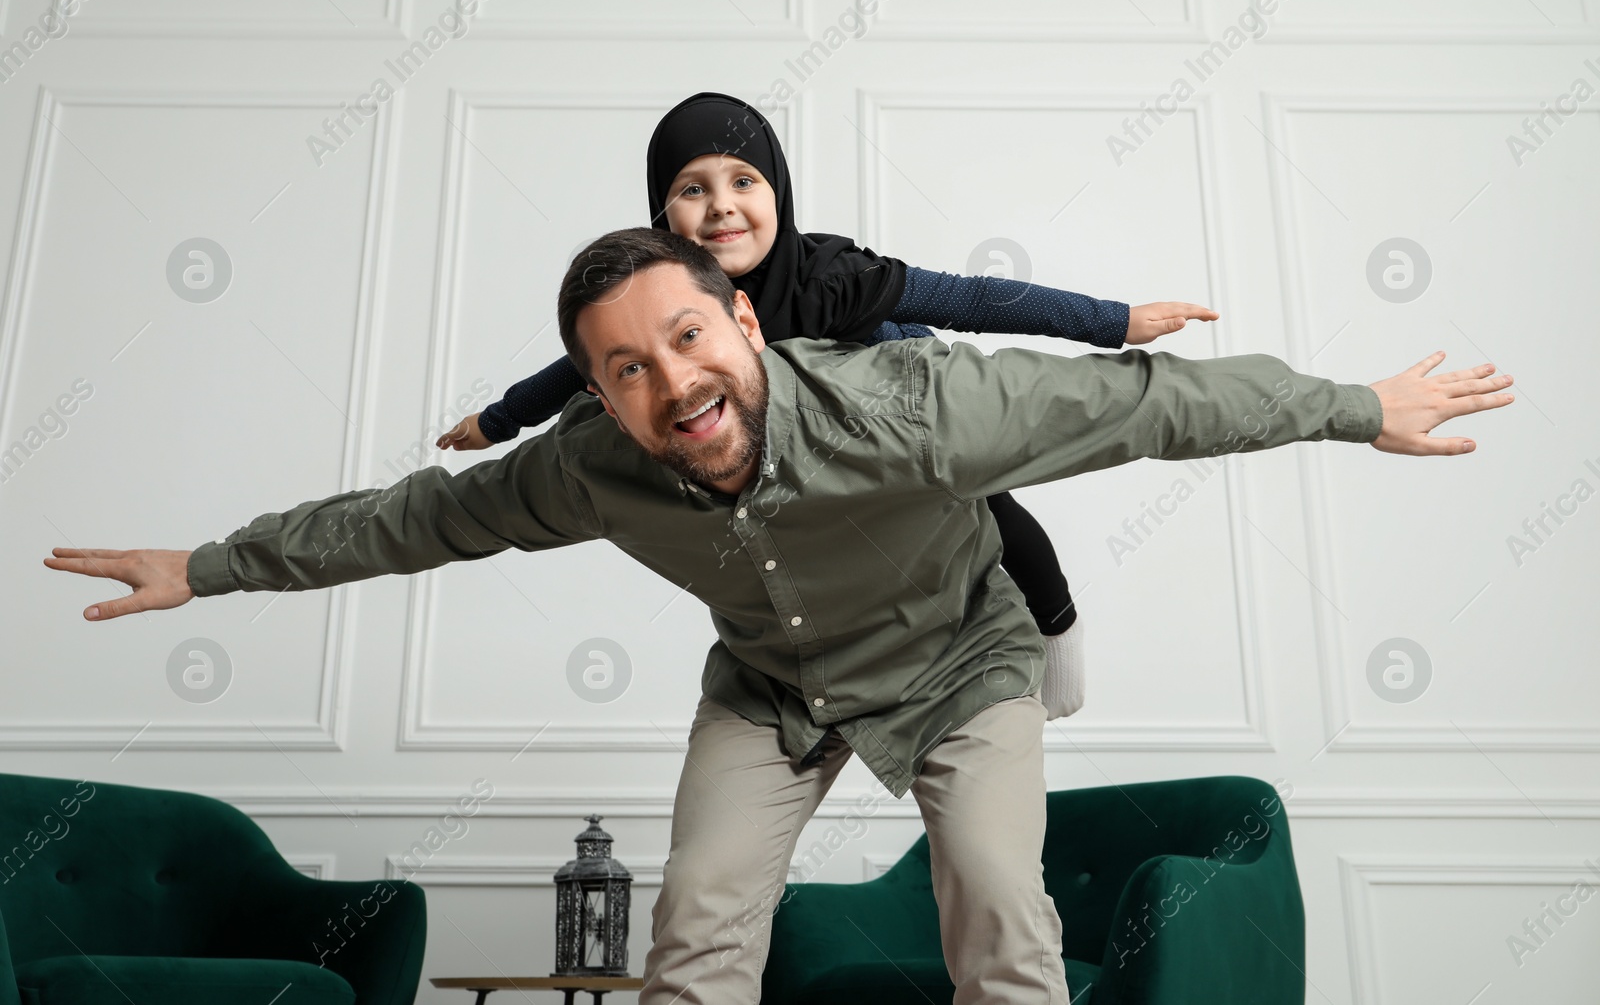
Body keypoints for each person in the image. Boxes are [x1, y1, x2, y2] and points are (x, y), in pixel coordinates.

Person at [46, 227, 1512, 1004]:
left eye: (687, 336)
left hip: (961, 664)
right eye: (623, 367)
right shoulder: (589, 470)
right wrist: (212, 563)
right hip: (773, 688)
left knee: (999, 897)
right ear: (596, 391)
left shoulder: (922, 407)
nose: (669, 382)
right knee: (694, 920)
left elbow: (1153, 402)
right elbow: (408, 519)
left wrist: (1354, 406)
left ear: (745, 322)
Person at [435, 91, 1221, 721]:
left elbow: (973, 298)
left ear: (777, 192)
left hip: (904, 398)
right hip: (818, 457)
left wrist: (1116, 321)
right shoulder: (667, 298)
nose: (721, 207)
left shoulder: (831, 277)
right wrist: (498, 420)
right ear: (660, 215)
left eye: (744, 182)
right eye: (691, 189)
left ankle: (1056, 630)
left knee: (991, 507)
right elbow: (583, 367)